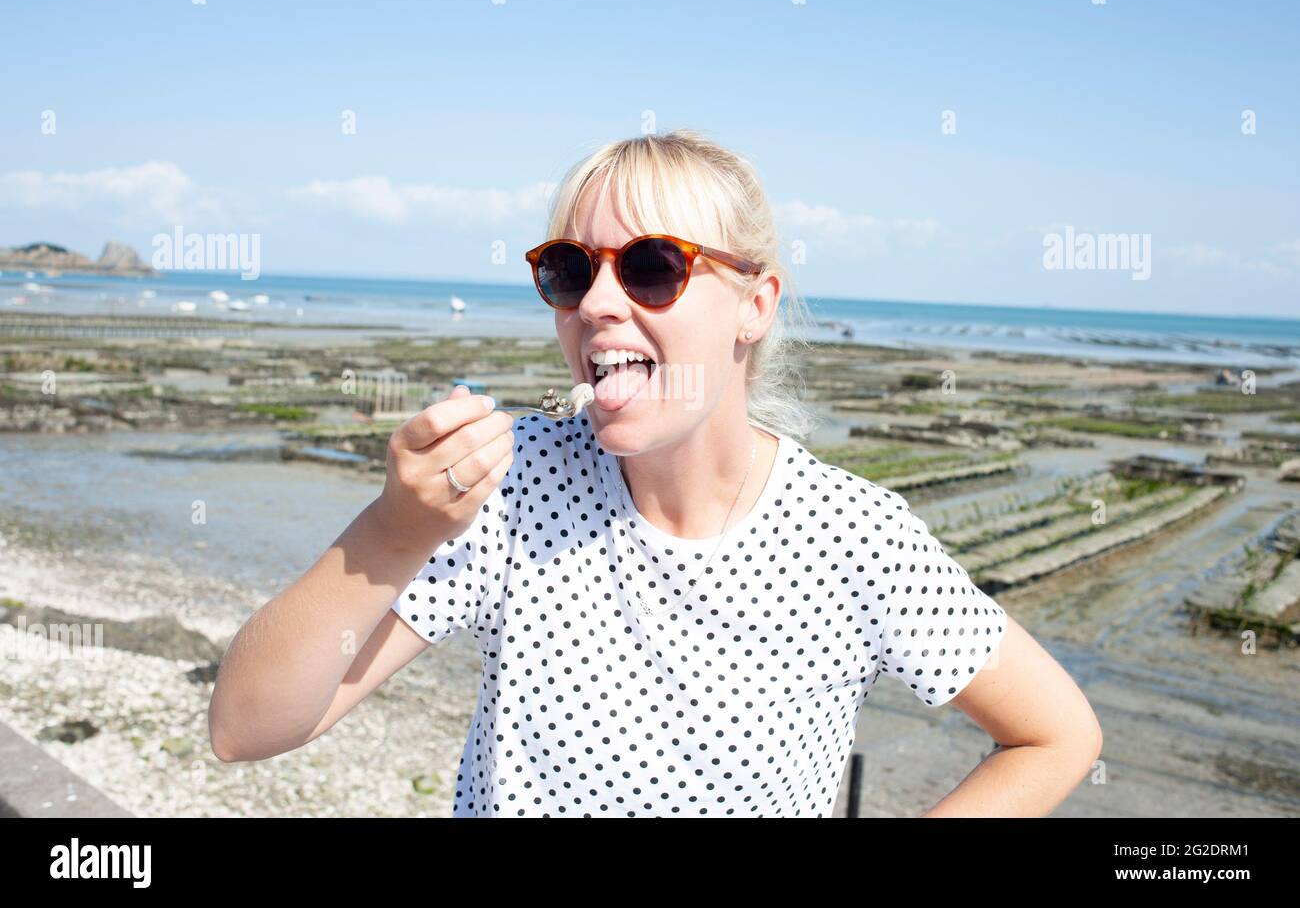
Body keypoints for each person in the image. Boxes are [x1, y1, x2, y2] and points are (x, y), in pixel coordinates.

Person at [208, 129, 1102, 817]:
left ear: (755, 305)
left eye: (651, 267)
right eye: (568, 270)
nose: (598, 302)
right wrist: (392, 531)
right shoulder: (515, 490)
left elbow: (1056, 735)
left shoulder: (854, 538)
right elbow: (248, 725)